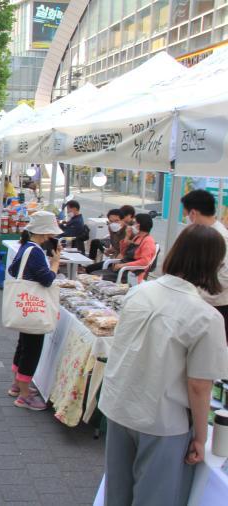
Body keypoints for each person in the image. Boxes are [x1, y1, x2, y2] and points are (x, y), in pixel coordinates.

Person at [99, 224, 228, 506]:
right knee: (155, 498)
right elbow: (199, 385)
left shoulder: (140, 292)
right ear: (213, 264)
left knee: (116, 495)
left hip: (120, 406)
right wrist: (200, 438)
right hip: (162, 419)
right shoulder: (206, 317)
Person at [7, 211, 62, 411]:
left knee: (23, 346)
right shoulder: (36, 251)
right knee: (31, 350)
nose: (52, 239)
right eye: (51, 235)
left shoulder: (25, 247)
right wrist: (55, 263)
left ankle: (17, 385)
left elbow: (14, 270)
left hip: (24, 307)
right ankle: (24, 395)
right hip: (35, 308)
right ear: (45, 234)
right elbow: (47, 279)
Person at [181, 189, 228, 343]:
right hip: (201, 301)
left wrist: (198, 294)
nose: (187, 219)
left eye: (186, 214)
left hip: (216, 305)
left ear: (193, 213)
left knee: (211, 349)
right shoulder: (203, 233)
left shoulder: (221, 238)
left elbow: (225, 277)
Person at [95, 213, 157, 283]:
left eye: (134, 223)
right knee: (94, 275)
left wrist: (122, 265)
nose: (132, 225)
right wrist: (127, 236)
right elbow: (123, 252)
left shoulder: (148, 241)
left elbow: (144, 261)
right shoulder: (137, 237)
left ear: (139, 225)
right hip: (123, 269)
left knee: (97, 278)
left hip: (131, 273)